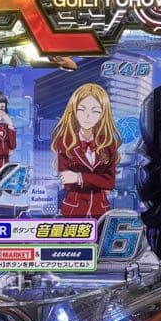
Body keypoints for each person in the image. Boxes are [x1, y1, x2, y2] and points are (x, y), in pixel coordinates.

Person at [51, 82, 120, 219]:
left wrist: (79, 177)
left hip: (100, 210)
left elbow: (110, 182)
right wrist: (97, 181)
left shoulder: (108, 142)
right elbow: (68, 184)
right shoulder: (65, 142)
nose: (87, 116)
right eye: (82, 110)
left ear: (103, 114)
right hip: (73, 210)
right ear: (74, 111)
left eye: (95, 111)